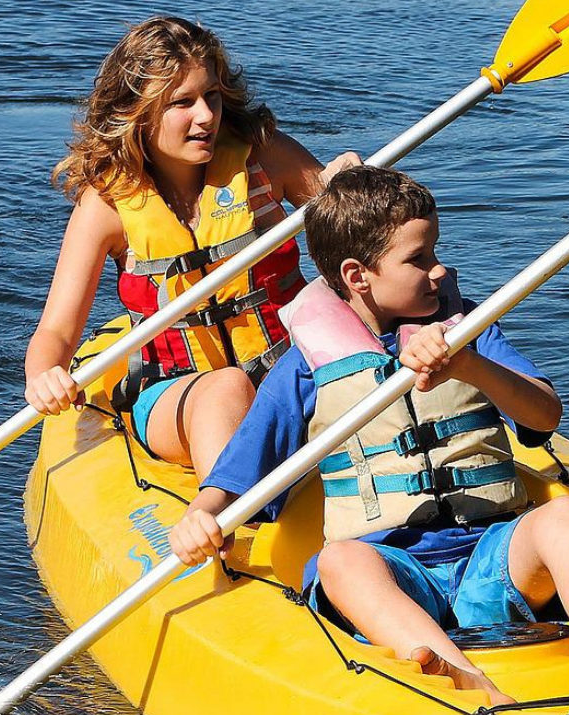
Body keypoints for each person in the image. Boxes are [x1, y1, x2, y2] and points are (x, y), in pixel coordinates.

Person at [168, 166, 569, 704]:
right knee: (339, 563)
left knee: (563, 516)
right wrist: (201, 514)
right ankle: (468, 683)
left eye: (435, 251)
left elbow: (544, 416)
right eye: (418, 259)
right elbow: (242, 470)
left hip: (492, 556)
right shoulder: (304, 366)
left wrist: (470, 366)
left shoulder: (469, 328)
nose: (439, 270)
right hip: (393, 570)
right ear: (358, 276)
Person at [25, 16, 357, 479]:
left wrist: (349, 187)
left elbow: (356, 238)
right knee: (226, 388)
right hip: (177, 391)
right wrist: (44, 377)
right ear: (137, 114)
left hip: (289, 370)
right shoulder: (106, 207)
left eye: (212, 96)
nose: (206, 115)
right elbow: (57, 332)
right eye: (183, 102)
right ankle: (228, 521)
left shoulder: (263, 156)